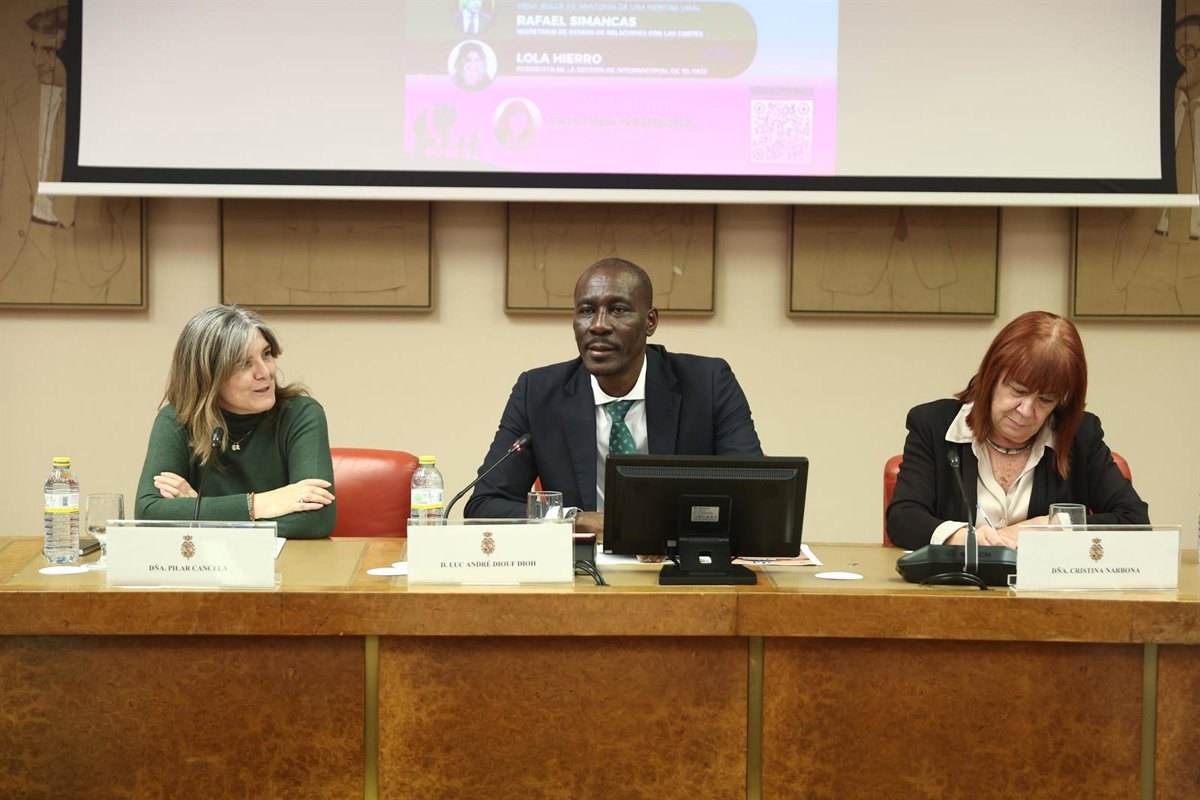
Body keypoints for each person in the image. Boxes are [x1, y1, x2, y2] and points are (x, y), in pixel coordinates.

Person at [464, 258, 762, 534]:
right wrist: (575, 519)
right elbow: (484, 506)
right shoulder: (537, 393)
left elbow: (755, 498)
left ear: (650, 322)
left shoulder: (708, 384)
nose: (598, 325)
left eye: (618, 310)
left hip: (678, 560)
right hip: (581, 565)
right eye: (586, 311)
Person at [886, 311, 1149, 551]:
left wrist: (1052, 526)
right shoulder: (934, 425)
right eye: (1018, 390)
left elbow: (1134, 521)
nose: (1026, 410)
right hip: (955, 584)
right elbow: (902, 519)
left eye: (1046, 400)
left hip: (1045, 588)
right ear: (991, 376)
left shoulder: (1081, 436)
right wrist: (967, 539)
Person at [135, 305, 336, 539]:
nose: (265, 372)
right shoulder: (178, 419)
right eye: (244, 364)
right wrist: (259, 504)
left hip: (287, 561)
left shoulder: (300, 414)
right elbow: (148, 513)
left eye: (266, 354)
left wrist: (201, 513)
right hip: (204, 562)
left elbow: (317, 520)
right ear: (208, 376)